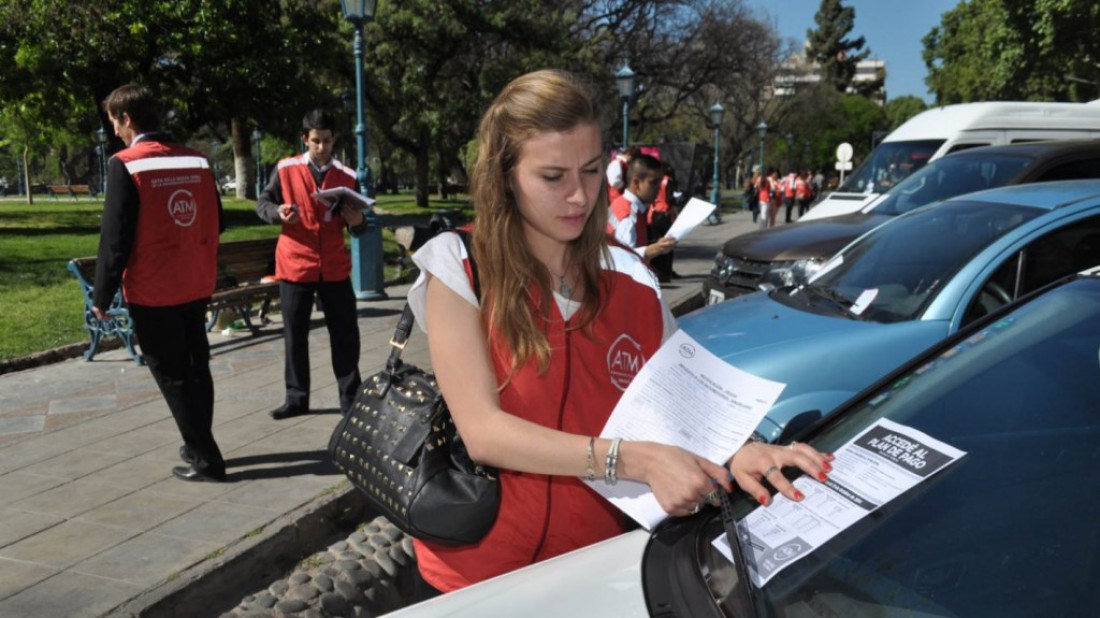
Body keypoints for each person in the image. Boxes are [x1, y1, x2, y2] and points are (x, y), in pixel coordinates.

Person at [407, 69, 833, 596]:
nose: (579, 196)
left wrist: (737, 452)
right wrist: (631, 459)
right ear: (505, 177)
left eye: (589, 171)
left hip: (601, 569)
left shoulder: (630, 272)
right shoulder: (458, 264)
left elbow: (683, 400)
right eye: (552, 177)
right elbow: (484, 432)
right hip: (472, 578)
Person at [93, 84, 226, 482]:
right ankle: (197, 442)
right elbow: (218, 218)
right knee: (197, 368)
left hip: (154, 289)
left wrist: (102, 293)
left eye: (115, 121)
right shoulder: (198, 161)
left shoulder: (126, 164)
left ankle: (206, 458)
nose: (114, 130)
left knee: (172, 374)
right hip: (195, 281)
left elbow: (114, 239)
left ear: (128, 119)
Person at [256, 110, 366, 420]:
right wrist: (278, 211)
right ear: (305, 139)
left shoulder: (347, 176)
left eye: (327, 140)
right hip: (295, 264)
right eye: (316, 141)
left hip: (333, 266)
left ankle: (351, 398)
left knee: (345, 333)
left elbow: (358, 227)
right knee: (295, 333)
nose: (322, 147)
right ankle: (296, 397)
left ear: (334, 140)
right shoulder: (286, 169)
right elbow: (262, 204)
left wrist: (358, 222)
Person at [607, 152, 677, 262]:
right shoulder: (628, 216)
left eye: (659, 183)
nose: (658, 188)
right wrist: (656, 248)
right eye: (653, 183)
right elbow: (625, 258)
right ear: (636, 183)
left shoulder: (621, 205)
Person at [647, 163, 680, 282]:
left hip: (654, 212)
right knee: (668, 243)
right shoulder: (668, 181)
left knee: (656, 242)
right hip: (665, 213)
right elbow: (670, 198)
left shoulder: (657, 180)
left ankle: (657, 271)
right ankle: (666, 272)